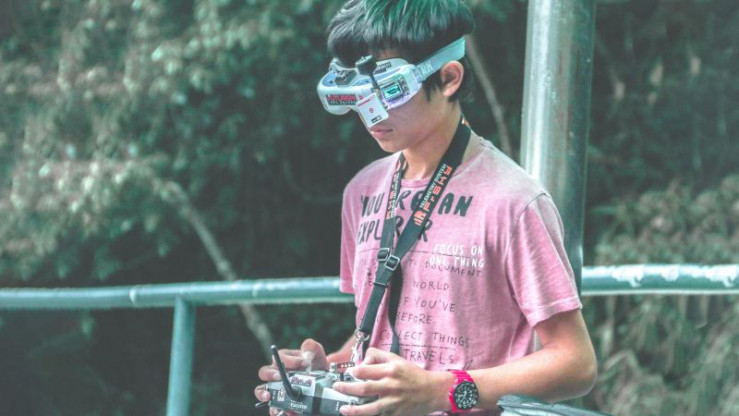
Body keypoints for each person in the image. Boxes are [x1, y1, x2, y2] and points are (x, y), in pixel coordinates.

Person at [255, 1, 597, 415]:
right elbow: (384, 338)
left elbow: (575, 364)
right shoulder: (362, 192)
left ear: (449, 78)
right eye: (359, 96)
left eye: (388, 92)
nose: (371, 114)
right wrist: (328, 372)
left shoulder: (513, 202)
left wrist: (441, 391)